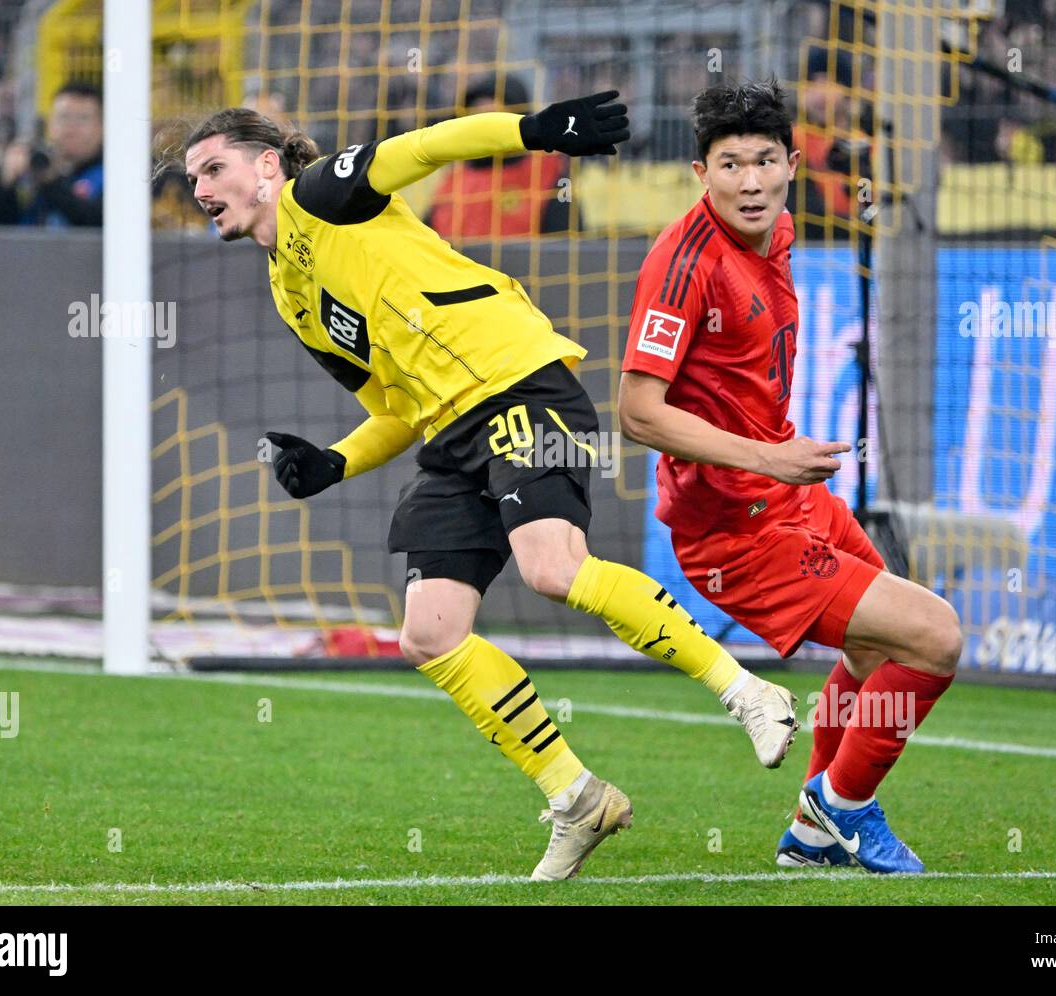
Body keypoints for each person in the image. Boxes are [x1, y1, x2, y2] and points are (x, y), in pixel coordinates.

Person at [177, 92, 799, 880]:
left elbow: (427, 146)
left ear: (266, 166)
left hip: (519, 383)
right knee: (429, 633)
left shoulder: (320, 198)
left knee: (552, 566)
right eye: (193, 175)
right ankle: (577, 797)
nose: (199, 187)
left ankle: (745, 690)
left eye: (214, 167)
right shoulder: (289, 294)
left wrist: (532, 132)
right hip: (450, 431)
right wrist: (335, 462)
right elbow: (393, 409)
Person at [617, 80, 961, 874]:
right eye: (729, 164)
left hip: (791, 495)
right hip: (732, 530)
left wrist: (779, 461)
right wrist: (768, 456)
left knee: (884, 654)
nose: (749, 181)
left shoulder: (778, 231)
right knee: (936, 636)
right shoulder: (683, 265)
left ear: (792, 165)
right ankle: (842, 810)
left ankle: (813, 833)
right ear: (699, 173)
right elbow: (637, 412)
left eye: (764, 161)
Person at [426, 74, 578, 238]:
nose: (483, 131)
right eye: (475, 120)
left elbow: (563, 248)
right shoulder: (454, 180)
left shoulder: (547, 173)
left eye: (492, 119)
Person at [0, 80, 103, 227]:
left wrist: (51, 182)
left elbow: (94, 219)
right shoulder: (34, 166)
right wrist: (5, 182)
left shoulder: (113, 177)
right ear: (51, 124)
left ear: (102, 127)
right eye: (63, 118)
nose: (71, 129)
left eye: (82, 119)